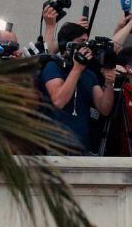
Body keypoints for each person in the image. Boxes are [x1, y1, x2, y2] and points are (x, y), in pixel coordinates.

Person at [40, 22, 117, 153]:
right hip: (56, 146)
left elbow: (104, 109)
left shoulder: (89, 74)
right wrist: (76, 69)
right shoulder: (53, 67)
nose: (86, 47)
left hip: (82, 146)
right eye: (81, 42)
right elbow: (59, 101)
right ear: (67, 44)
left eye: (87, 42)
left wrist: (109, 84)